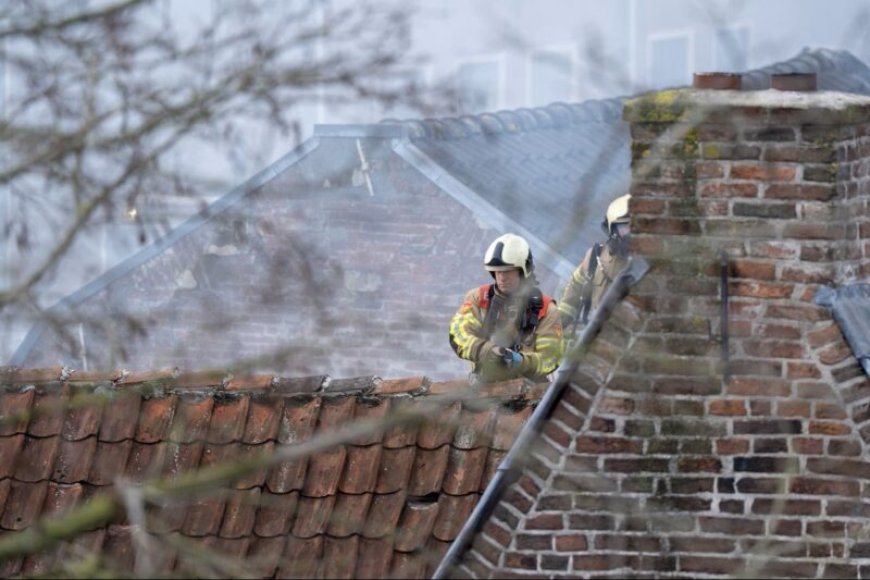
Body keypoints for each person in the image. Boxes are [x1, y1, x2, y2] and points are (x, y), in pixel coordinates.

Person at [449, 233, 564, 383]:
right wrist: (488, 351)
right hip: (483, 388)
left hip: (529, 393)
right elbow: (458, 334)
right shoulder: (478, 298)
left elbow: (550, 359)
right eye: (497, 271)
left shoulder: (546, 309)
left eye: (508, 271)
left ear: (523, 271)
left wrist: (519, 362)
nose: (502, 277)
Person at [558, 193, 632, 334]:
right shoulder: (594, 257)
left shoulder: (646, 267)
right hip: (588, 335)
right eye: (626, 228)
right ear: (613, 231)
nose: (632, 235)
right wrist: (561, 321)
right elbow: (575, 286)